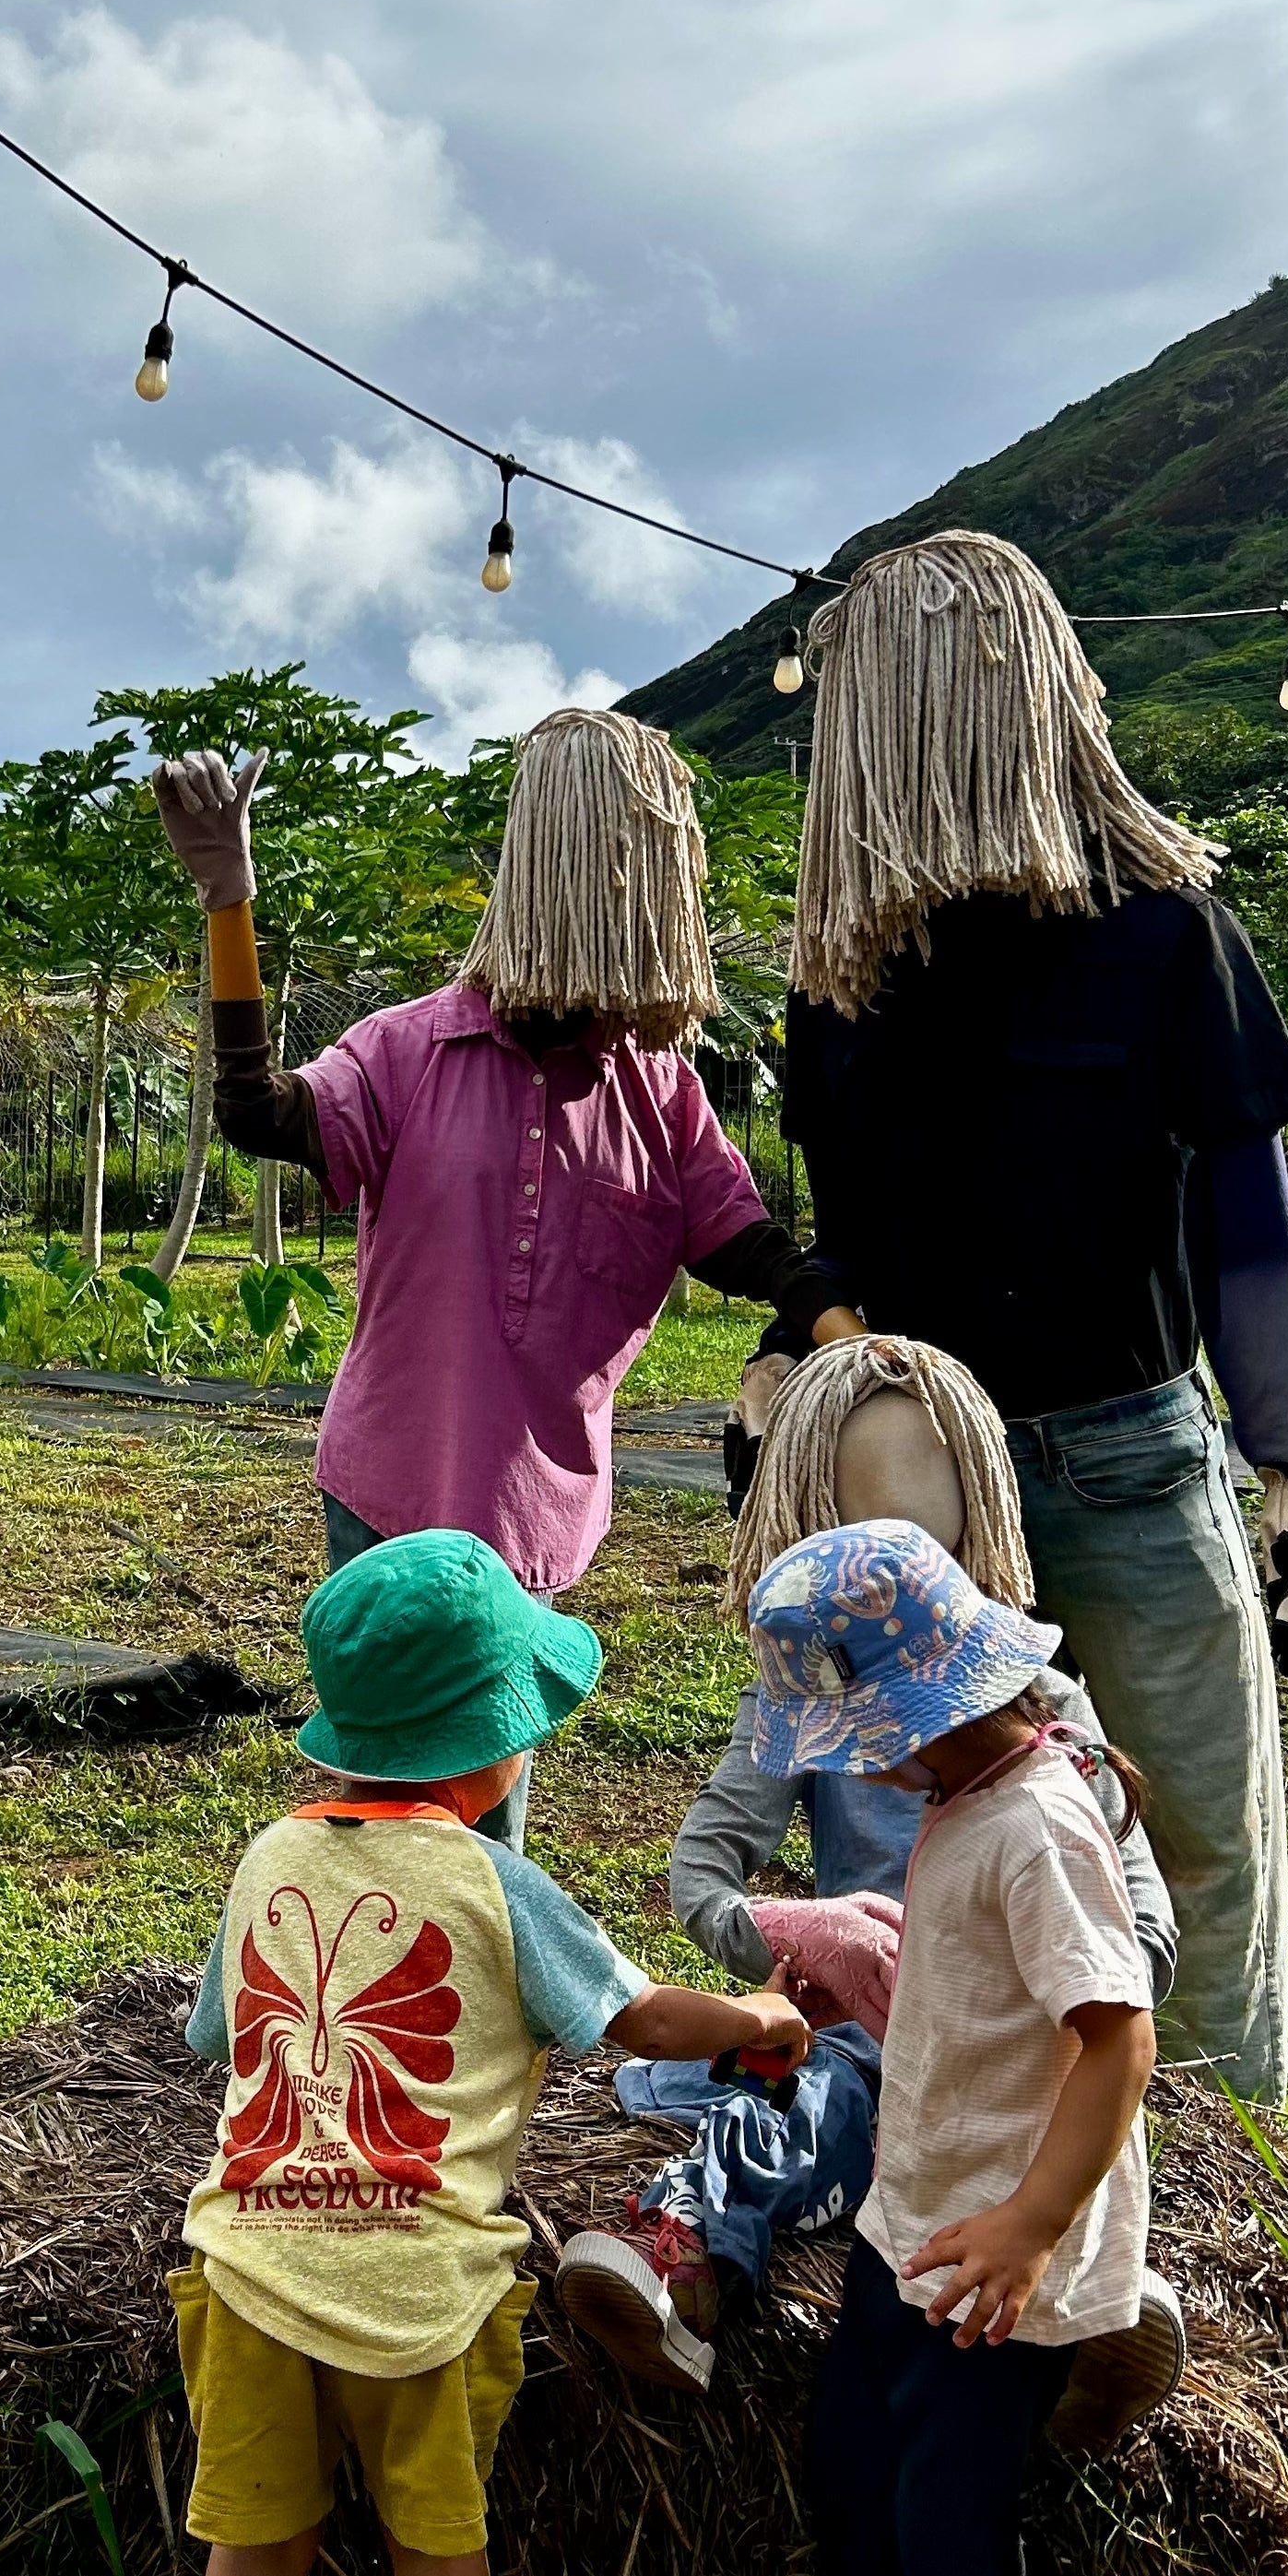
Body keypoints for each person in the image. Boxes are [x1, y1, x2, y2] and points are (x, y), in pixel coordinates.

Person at [136, 1527, 809, 2576]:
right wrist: (758, 2020)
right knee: (441, 2551)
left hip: (250, 2275)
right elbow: (640, 2024)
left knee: (249, 2554)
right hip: (424, 2298)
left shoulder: (264, 1860)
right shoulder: (499, 1890)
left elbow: (213, 2037)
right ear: (497, 1747)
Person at [760, 529, 1288, 2097]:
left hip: (1129, 1457)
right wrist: (796, 1342)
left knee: (1199, 1837)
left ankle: (1221, 2212)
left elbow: (1243, 1225)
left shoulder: (1163, 937)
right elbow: (845, 1237)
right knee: (901, 1859)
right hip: (908, 1478)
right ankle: (912, 2184)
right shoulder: (838, 979)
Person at [151, 706, 855, 1846]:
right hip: (387, 1492)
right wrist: (228, 901)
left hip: (530, 1518)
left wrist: (839, 1325)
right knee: (381, 1812)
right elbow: (257, 1113)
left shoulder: (656, 1088)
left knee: (485, 1823)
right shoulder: (409, 1047)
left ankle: (469, 2015)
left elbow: (740, 1240)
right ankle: (360, 2005)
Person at [552, 1335, 1183, 2463]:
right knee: (807, 2101)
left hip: (1017, 2032)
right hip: (874, 2029)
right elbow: (702, 1870)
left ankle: (1093, 2308)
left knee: (1053, 2126)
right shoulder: (806, 1690)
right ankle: (685, 2243)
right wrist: (805, 1940)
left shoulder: (1048, 1715)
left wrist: (1034, 1975)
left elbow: (1133, 1953)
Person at [705, 1518, 1158, 2576]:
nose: (856, 1765)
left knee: (949, 2532)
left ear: (929, 1710)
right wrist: (865, 1998)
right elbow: (986, 1988)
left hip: (994, 2257)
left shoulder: (1038, 1824)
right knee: (854, 2474)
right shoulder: (972, 1799)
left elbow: (1118, 2037)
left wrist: (1034, 2226)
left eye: (859, 1734)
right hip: (917, 2227)